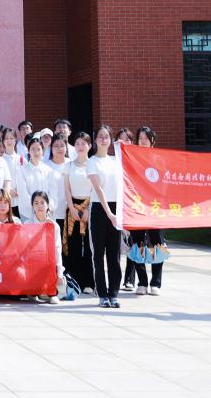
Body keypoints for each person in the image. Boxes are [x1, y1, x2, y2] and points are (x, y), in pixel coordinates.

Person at [126, 126, 164, 296]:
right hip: (137, 207)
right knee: (138, 245)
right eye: (140, 138)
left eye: (145, 138)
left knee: (157, 245)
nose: (142, 141)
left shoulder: (159, 159)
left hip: (155, 208)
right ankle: (142, 282)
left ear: (152, 141)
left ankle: (156, 282)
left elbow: (164, 183)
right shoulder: (132, 158)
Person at [87, 125, 123, 309]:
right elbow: (98, 189)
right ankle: (102, 294)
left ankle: (114, 293)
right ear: (95, 140)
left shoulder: (116, 161)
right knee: (99, 254)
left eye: (106, 137)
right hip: (100, 210)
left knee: (114, 254)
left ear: (110, 140)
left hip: (116, 208)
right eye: (100, 137)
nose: (103, 139)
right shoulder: (92, 161)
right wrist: (109, 213)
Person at [63, 132, 95, 294]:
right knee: (74, 245)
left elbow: (96, 188)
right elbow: (67, 189)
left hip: (90, 206)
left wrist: (88, 209)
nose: (80, 147)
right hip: (73, 208)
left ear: (89, 146)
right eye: (77, 143)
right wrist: (72, 208)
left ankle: (89, 281)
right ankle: (75, 281)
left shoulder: (93, 164)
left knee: (89, 246)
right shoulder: (69, 165)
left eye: (84, 143)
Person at [28, 191, 63, 304]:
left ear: (47, 205)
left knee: (51, 263)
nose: (39, 206)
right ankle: (33, 291)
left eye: (42, 203)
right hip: (32, 261)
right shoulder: (28, 224)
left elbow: (57, 249)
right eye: (36, 203)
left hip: (48, 262)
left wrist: (59, 273)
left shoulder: (54, 225)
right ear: (32, 206)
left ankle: (52, 293)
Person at [15, 134, 55, 223]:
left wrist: (46, 207)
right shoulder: (21, 170)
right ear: (28, 151)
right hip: (27, 213)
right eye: (33, 149)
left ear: (42, 151)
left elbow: (53, 193)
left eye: (38, 149)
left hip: (46, 213)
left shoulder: (49, 171)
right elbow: (23, 193)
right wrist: (36, 207)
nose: (36, 152)